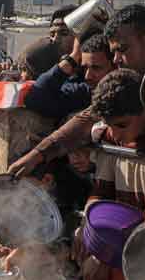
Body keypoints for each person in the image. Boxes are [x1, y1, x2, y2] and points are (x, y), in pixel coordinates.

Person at [77, 69, 145, 280]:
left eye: (122, 125)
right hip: (120, 241)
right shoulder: (110, 141)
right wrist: (86, 226)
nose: (116, 132)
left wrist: (103, 257)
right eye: (110, 125)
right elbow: (100, 193)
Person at [10, 33, 116, 177]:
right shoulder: (85, 90)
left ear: (115, 66)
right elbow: (36, 97)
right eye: (85, 68)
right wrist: (72, 57)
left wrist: (94, 160)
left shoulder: (129, 94)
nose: (88, 76)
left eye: (96, 68)